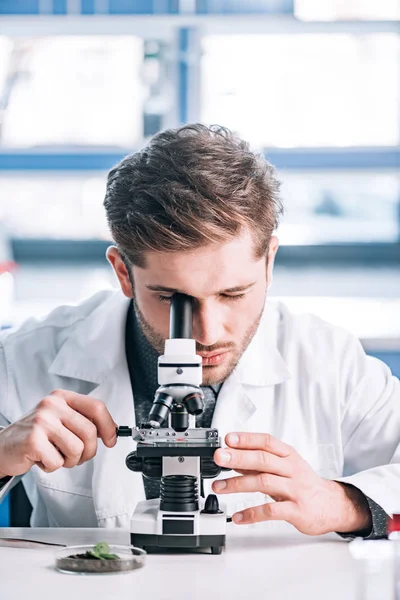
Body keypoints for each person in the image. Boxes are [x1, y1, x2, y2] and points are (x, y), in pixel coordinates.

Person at [0, 124, 399, 535]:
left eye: (233, 294)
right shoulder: (28, 357)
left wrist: (346, 504)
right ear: (123, 273)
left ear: (269, 264)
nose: (205, 334)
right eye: (173, 300)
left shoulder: (328, 360)